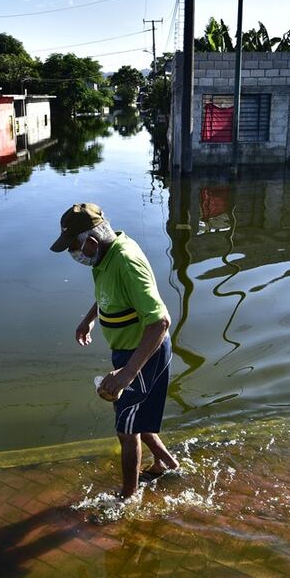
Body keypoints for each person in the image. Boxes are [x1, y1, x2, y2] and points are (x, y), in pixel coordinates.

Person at [50, 203, 179, 499]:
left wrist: (128, 373)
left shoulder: (126, 261)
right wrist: (89, 318)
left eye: (73, 248)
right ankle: (166, 461)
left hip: (145, 353)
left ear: (91, 242)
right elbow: (107, 294)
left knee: (126, 430)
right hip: (125, 352)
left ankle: (127, 497)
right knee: (131, 417)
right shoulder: (103, 257)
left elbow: (160, 321)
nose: (74, 255)